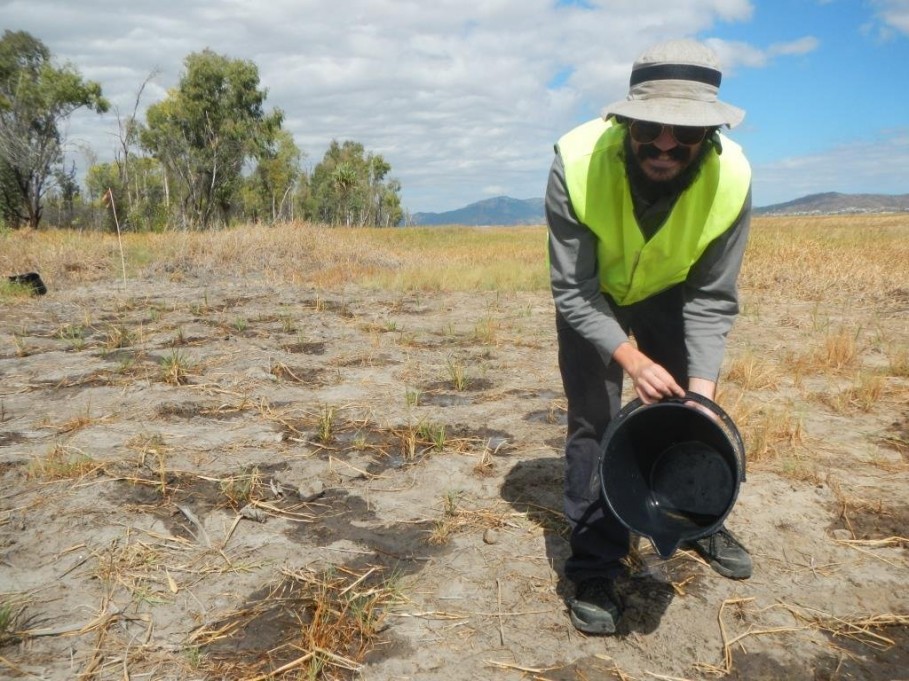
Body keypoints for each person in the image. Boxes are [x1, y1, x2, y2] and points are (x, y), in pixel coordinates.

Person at [545, 39, 753, 635]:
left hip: (671, 289)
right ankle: (596, 563)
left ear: (709, 136)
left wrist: (702, 396)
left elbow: (713, 299)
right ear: (627, 120)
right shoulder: (577, 160)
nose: (665, 144)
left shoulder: (732, 176)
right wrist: (630, 358)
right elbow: (574, 290)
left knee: (690, 411)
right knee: (595, 419)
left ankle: (695, 520)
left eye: (684, 135)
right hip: (594, 295)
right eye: (651, 128)